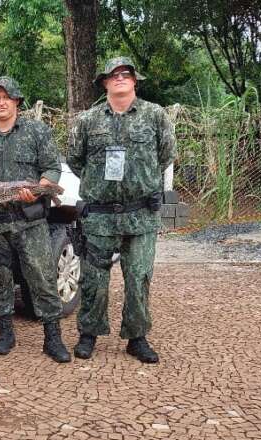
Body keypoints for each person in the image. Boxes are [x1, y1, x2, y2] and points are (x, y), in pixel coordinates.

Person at [66, 57, 175, 363]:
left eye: (125, 74)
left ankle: (137, 337)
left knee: (139, 276)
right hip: (99, 214)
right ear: (104, 82)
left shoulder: (155, 116)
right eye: (113, 75)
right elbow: (76, 160)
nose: (119, 78)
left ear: (135, 81)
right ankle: (88, 334)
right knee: (93, 278)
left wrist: (140, 180)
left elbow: (165, 155)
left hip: (140, 214)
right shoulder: (88, 120)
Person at [0, 76, 71, 362]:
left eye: (6, 97)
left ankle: (53, 338)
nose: (0, 102)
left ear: (16, 102)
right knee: (1, 279)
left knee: (43, 277)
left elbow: (51, 169)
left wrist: (38, 191)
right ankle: (5, 333)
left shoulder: (37, 132)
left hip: (29, 221)